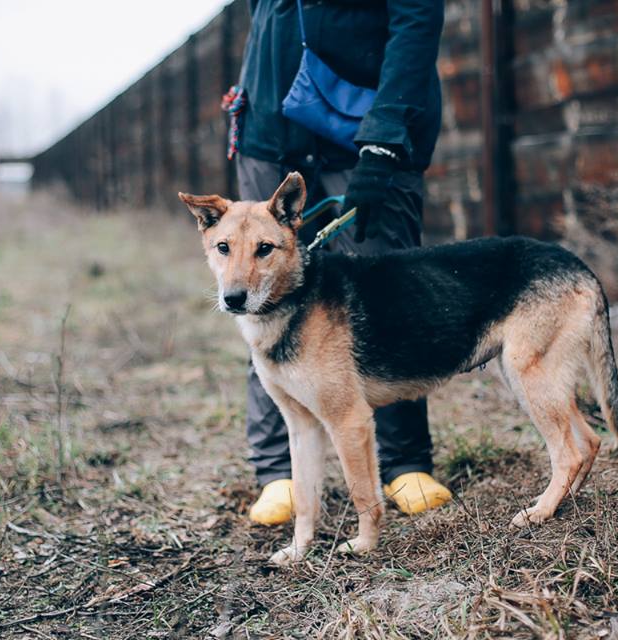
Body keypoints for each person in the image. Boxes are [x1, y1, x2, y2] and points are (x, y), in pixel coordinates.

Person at [230, 0, 451, 524]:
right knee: (259, 299)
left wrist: (386, 135)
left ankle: (404, 463)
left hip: (364, 134)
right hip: (267, 134)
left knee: (387, 299)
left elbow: (417, 18)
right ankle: (278, 470)